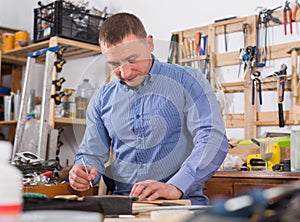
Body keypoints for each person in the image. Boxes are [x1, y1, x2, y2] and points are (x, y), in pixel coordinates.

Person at [68, 12, 228, 205]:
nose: (125, 73)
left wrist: (176, 186)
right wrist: (83, 170)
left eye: (132, 59)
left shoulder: (188, 81)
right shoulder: (102, 98)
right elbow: (91, 153)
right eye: (114, 64)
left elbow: (212, 138)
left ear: (149, 44)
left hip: (180, 203)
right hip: (124, 205)